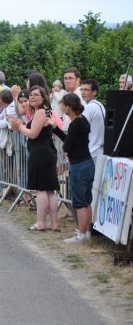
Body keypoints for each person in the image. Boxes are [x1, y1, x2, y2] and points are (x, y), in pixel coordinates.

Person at [9, 86, 59, 231]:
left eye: (36, 95)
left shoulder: (41, 112)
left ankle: (41, 222)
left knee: (42, 189)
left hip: (41, 153)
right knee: (50, 190)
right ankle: (54, 224)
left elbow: (32, 134)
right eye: (31, 95)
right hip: (45, 152)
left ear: (43, 97)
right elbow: (22, 114)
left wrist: (20, 126)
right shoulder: (41, 111)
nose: (32, 97)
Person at [55, 93, 95, 243]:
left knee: (79, 202)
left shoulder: (75, 124)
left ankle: (81, 235)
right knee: (86, 200)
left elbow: (67, 145)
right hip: (87, 163)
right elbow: (70, 140)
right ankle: (87, 233)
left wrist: (56, 131)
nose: (61, 108)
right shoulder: (82, 121)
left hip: (78, 165)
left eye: (63, 105)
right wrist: (55, 128)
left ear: (68, 107)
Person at [79, 79, 105, 161]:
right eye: (81, 89)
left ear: (94, 92)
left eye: (86, 90)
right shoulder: (98, 105)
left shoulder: (90, 107)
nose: (83, 92)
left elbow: (79, 128)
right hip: (99, 150)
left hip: (92, 151)